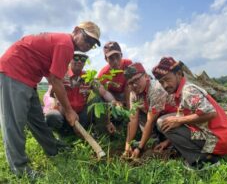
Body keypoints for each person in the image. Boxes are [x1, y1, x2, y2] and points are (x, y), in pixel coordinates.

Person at [0, 21, 101, 177]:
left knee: (37, 119)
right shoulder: (66, 45)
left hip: (29, 77)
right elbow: (55, 80)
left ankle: (53, 147)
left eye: (92, 43)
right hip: (14, 71)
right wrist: (68, 110)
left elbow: (51, 74)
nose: (88, 44)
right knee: (14, 123)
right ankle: (20, 168)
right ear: (76, 31)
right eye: (87, 39)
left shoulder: (63, 44)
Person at [152, 57, 227, 170]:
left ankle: (204, 161)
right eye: (161, 82)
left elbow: (211, 113)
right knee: (171, 120)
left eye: (167, 79)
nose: (165, 85)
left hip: (219, 140)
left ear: (179, 74)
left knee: (163, 121)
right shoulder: (181, 92)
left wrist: (178, 120)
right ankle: (205, 154)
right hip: (223, 138)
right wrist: (168, 142)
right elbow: (188, 120)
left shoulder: (188, 91)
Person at [44, 51, 118, 135]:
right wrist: (69, 114)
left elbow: (104, 93)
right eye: (76, 58)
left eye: (83, 59)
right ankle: (63, 133)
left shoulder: (88, 77)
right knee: (52, 116)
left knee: (98, 99)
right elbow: (54, 99)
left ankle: (102, 131)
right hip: (63, 114)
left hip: (81, 116)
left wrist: (115, 103)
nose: (79, 61)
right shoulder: (61, 76)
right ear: (70, 59)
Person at [122, 62, 173, 158]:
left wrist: (139, 148)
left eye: (137, 80)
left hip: (171, 116)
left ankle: (172, 142)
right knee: (140, 113)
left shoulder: (155, 89)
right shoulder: (133, 93)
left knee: (160, 122)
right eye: (130, 83)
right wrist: (127, 145)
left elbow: (150, 121)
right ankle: (154, 140)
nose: (134, 85)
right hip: (154, 118)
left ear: (145, 76)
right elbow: (133, 119)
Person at [98, 41, 132, 108]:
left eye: (117, 56)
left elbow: (129, 86)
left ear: (121, 55)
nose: (115, 61)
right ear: (106, 59)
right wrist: (115, 102)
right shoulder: (103, 74)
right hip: (112, 96)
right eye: (111, 58)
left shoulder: (128, 64)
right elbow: (104, 92)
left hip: (127, 93)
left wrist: (129, 107)